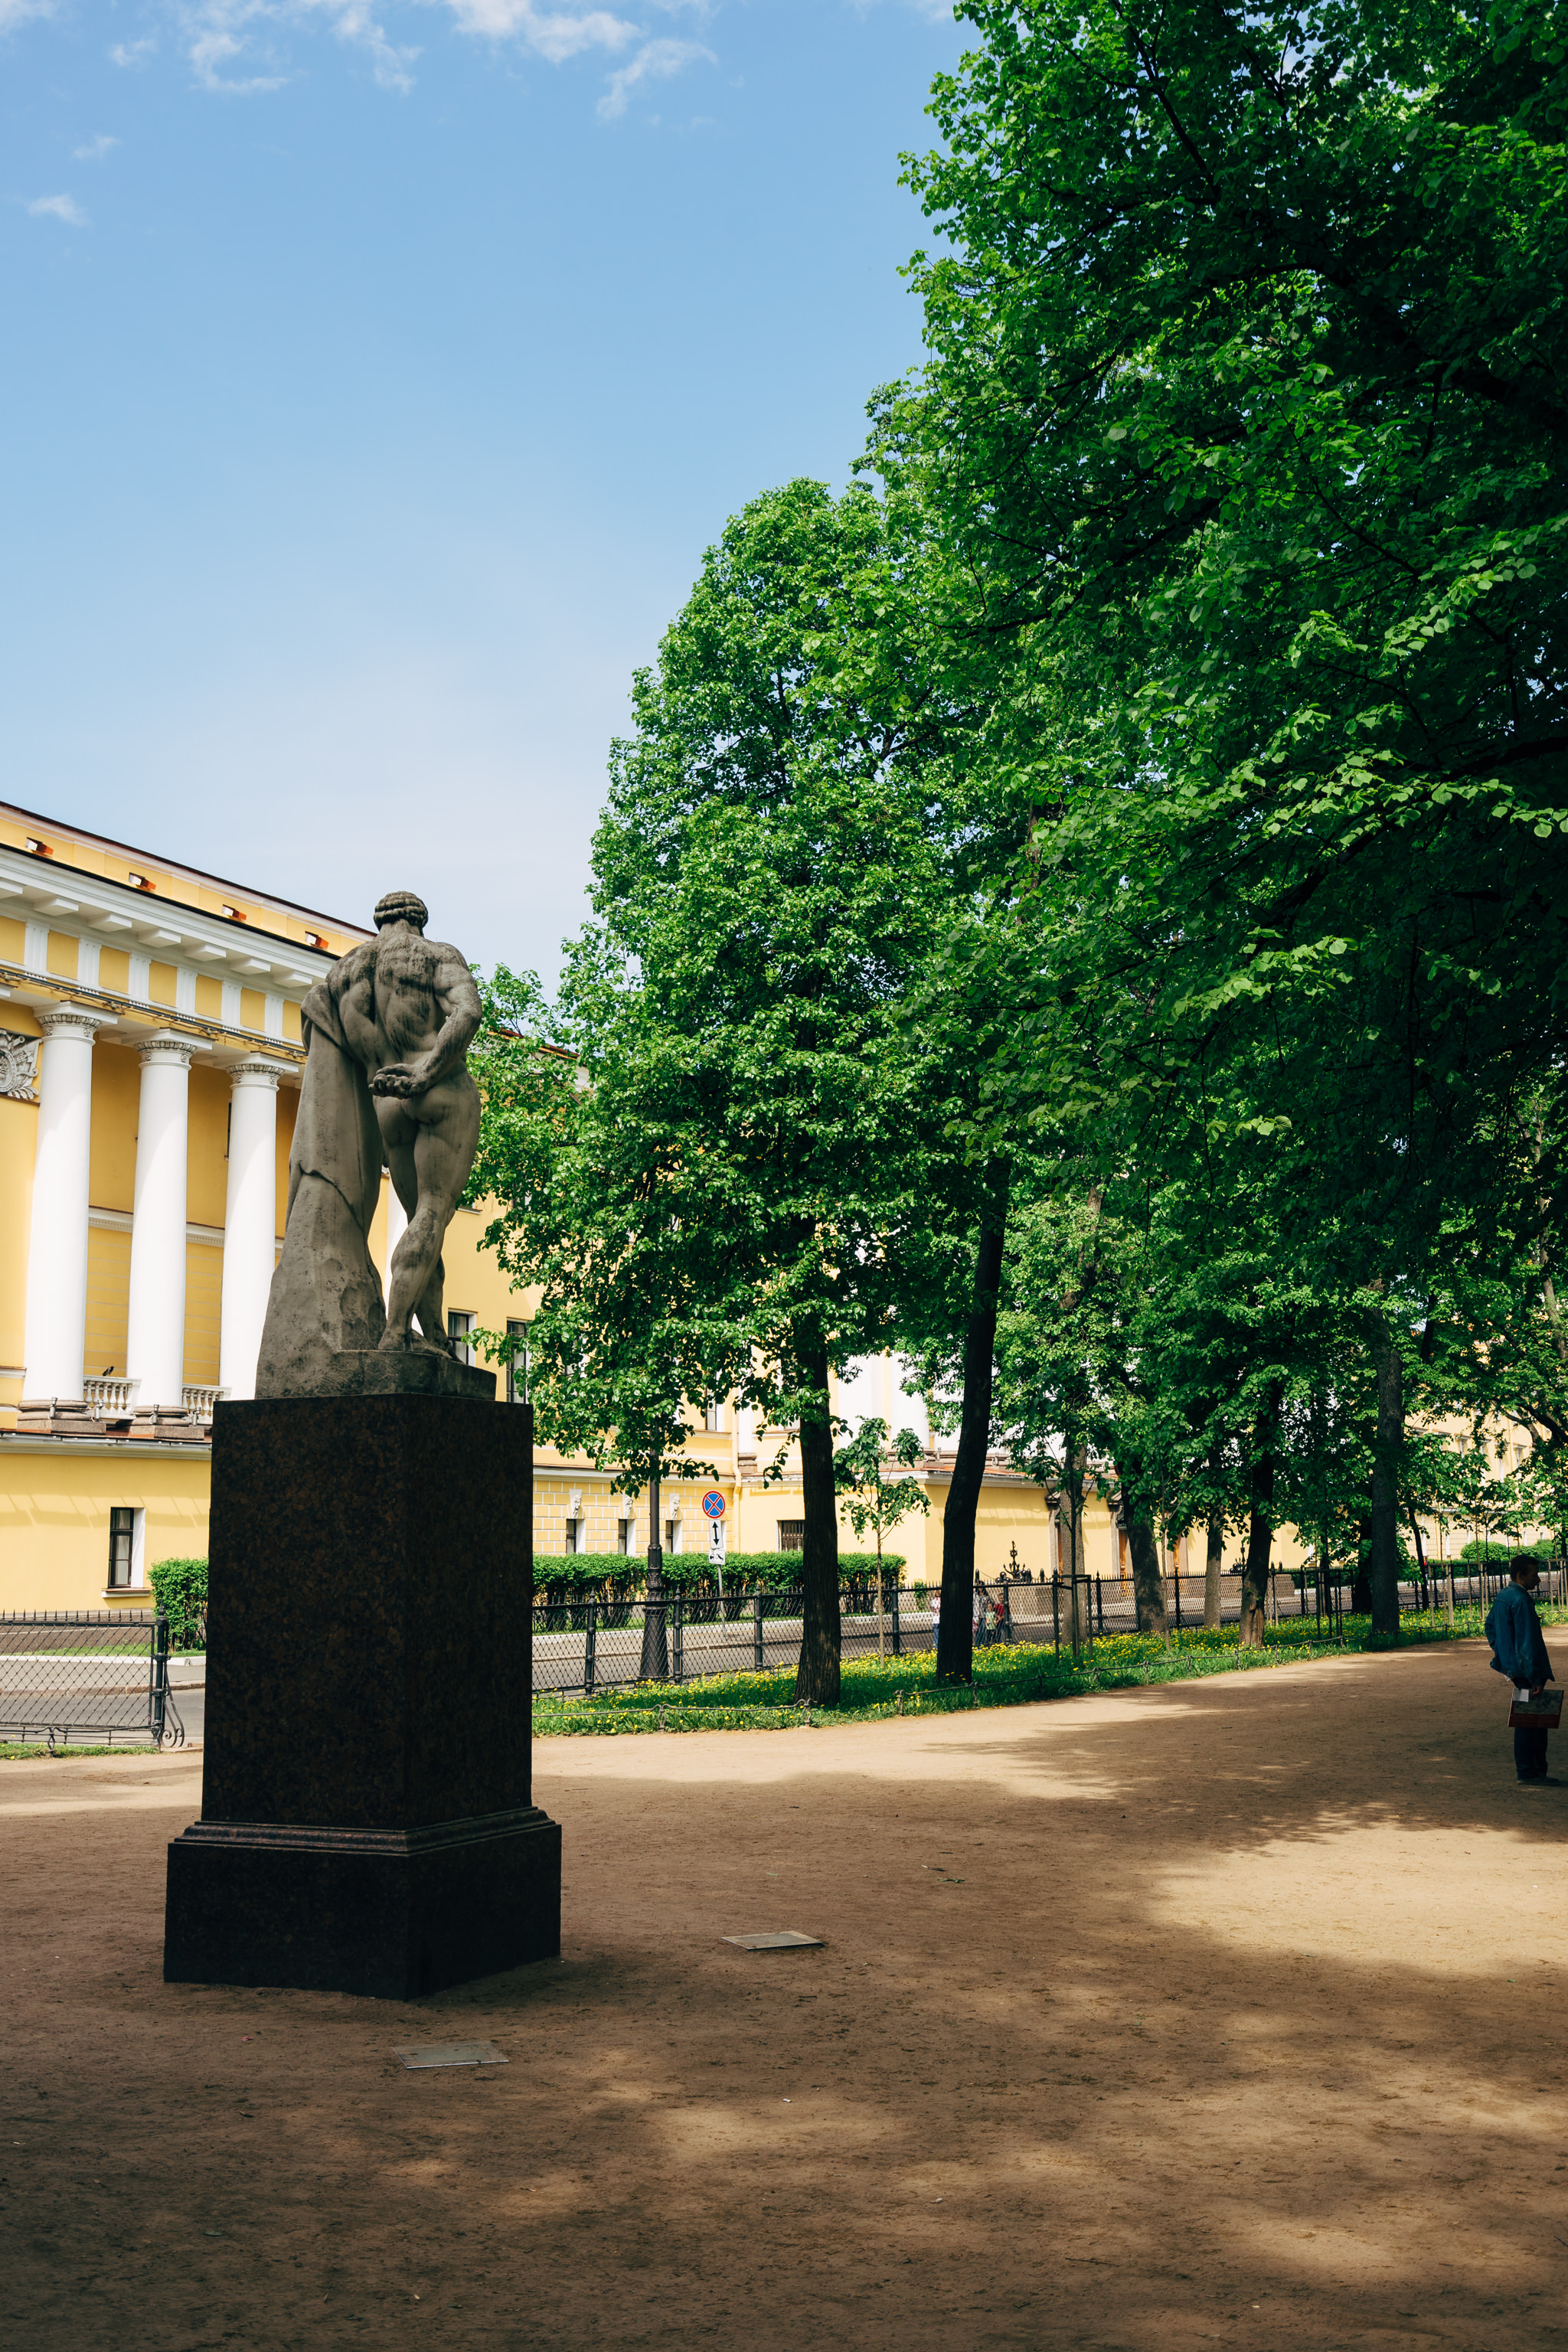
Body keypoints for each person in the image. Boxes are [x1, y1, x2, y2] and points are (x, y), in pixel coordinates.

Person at [1485, 1560, 1556, 1782]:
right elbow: (1526, 1643)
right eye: (1534, 1575)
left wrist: (1503, 1654)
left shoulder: (1504, 1595)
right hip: (1527, 1671)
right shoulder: (1521, 1600)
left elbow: (1489, 1627)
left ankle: (1530, 1770)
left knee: (1528, 1720)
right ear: (1520, 1576)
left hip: (1515, 1669)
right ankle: (1530, 1771)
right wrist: (1535, 1677)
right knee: (1533, 1723)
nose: (1538, 1579)